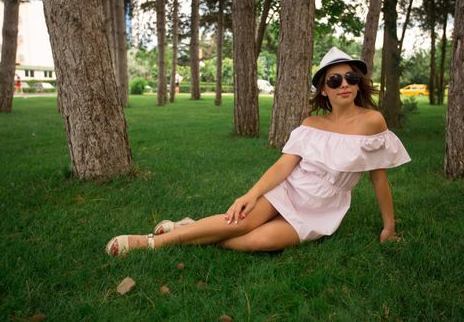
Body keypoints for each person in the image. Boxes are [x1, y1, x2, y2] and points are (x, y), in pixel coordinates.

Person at [106, 47, 411, 256]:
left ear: (359, 83)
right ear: (324, 89)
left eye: (351, 78)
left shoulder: (373, 122)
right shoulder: (311, 124)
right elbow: (284, 166)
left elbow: (378, 179)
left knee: (258, 241)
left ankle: (189, 229)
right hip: (291, 189)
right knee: (241, 221)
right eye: (335, 80)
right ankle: (149, 243)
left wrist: (389, 227)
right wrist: (251, 195)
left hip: (323, 208)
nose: (344, 84)